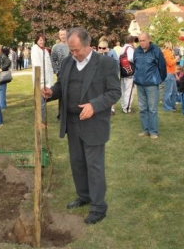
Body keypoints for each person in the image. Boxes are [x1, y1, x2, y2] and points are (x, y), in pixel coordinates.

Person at [42, 27, 121, 225]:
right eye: (71, 50)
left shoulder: (106, 63)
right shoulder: (68, 62)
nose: (73, 54)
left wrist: (94, 105)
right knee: (77, 162)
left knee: (94, 165)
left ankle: (98, 206)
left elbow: (114, 92)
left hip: (94, 123)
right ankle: (84, 196)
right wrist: (51, 92)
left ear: (88, 45)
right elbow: (62, 85)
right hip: (72, 122)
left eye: (77, 50)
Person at [133, 32, 167, 139]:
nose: (142, 43)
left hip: (152, 84)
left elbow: (162, 67)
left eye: (143, 40)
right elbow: (135, 66)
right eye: (140, 41)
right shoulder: (136, 51)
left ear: (149, 40)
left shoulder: (156, 51)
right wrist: (137, 78)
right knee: (143, 108)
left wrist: (159, 79)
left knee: (152, 109)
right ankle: (145, 130)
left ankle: (153, 132)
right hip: (140, 84)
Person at [31, 34, 54, 126]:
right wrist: (41, 82)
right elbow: (38, 66)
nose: (42, 42)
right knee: (40, 102)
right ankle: (39, 121)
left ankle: (42, 120)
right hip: (40, 80)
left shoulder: (45, 50)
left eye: (43, 40)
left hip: (47, 80)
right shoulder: (35, 50)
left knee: (44, 102)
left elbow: (49, 66)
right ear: (37, 40)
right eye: (40, 40)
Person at [51, 28, 70, 119]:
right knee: (61, 93)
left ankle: (69, 112)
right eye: (61, 34)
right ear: (59, 36)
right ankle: (61, 113)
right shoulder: (56, 47)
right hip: (61, 74)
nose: (63, 36)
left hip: (72, 72)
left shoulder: (71, 45)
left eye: (64, 34)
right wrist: (56, 70)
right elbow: (53, 60)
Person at [97, 38, 118, 115]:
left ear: (107, 47)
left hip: (110, 75)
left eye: (103, 48)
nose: (101, 49)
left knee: (111, 91)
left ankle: (112, 109)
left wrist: (108, 54)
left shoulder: (112, 52)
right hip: (100, 75)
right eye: (100, 48)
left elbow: (116, 63)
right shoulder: (96, 53)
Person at [119, 35, 135, 114]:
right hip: (130, 72)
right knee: (129, 90)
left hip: (123, 71)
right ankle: (127, 108)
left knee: (123, 90)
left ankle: (124, 106)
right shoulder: (130, 49)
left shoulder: (122, 49)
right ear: (132, 41)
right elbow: (131, 58)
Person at [162, 41, 179, 112]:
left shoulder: (168, 52)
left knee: (174, 91)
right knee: (168, 91)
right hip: (168, 74)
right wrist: (176, 59)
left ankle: (172, 106)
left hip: (171, 73)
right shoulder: (166, 52)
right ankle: (167, 107)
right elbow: (170, 63)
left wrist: (175, 75)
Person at [0, 43, 11, 109]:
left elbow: (8, 62)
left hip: (2, 77)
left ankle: (2, 106)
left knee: (1, 91)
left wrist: (2, 69)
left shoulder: (2, 56)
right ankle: (3, 105)